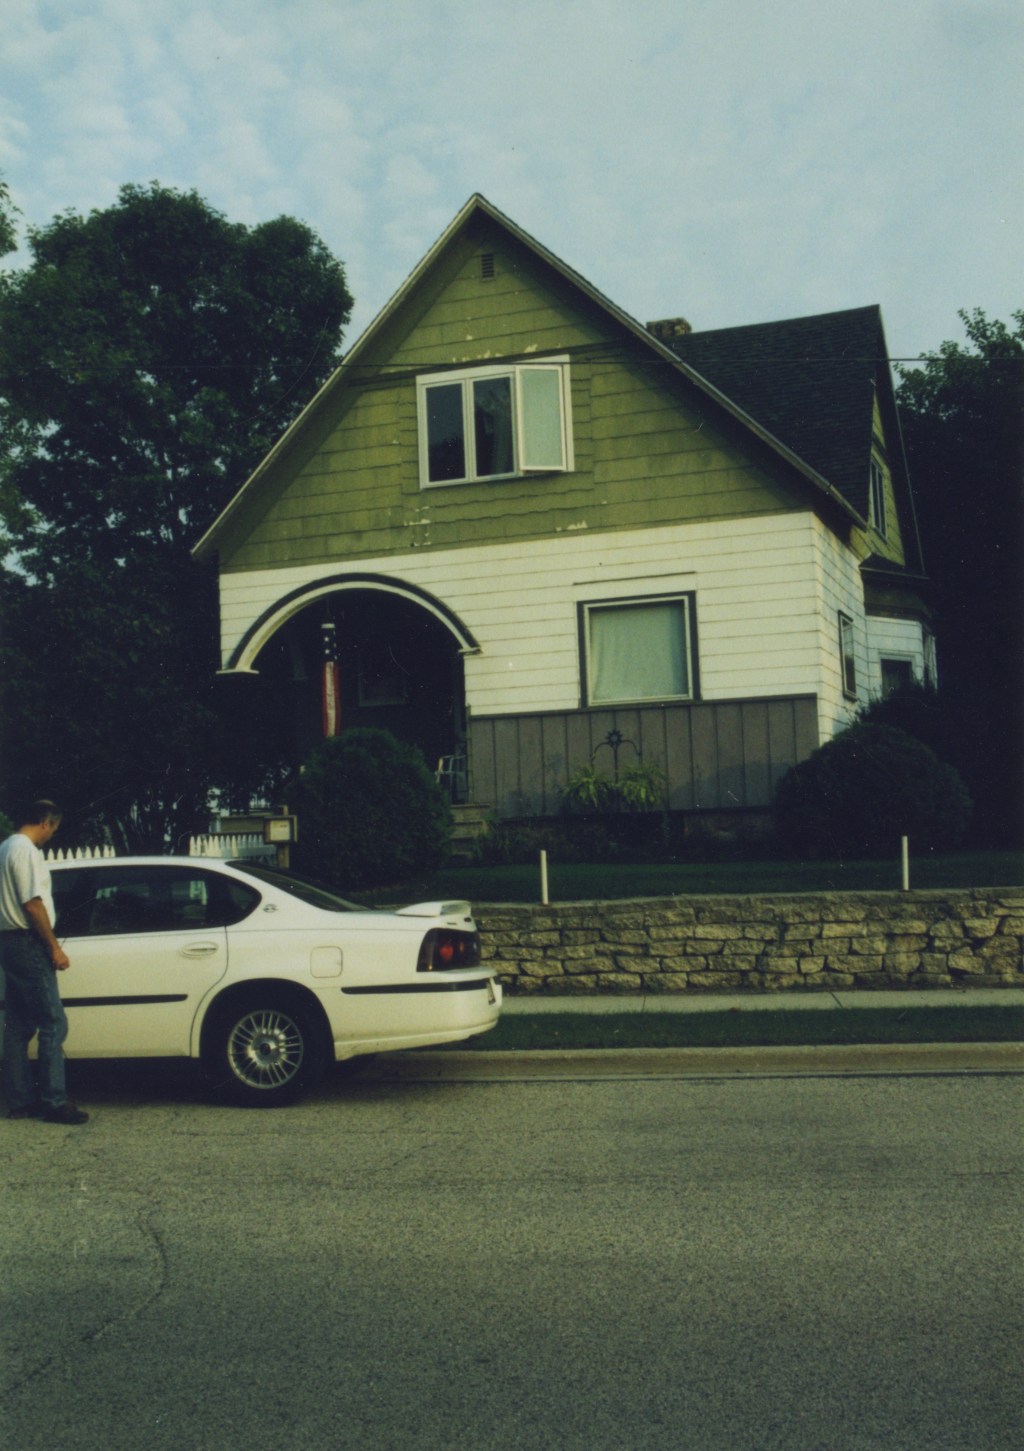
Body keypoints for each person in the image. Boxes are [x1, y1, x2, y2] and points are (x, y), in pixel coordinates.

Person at [0, 799, 89, 1124]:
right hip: (28, 941)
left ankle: (19, 1101)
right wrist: (53, 948)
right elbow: (33, 903)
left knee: (18, 1024)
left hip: (8, 941)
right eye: (53, 829)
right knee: (53, 1021)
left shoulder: (4, 849)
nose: (51, 835)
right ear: (46, 822)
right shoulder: (25, 851)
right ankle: (54, 1102)